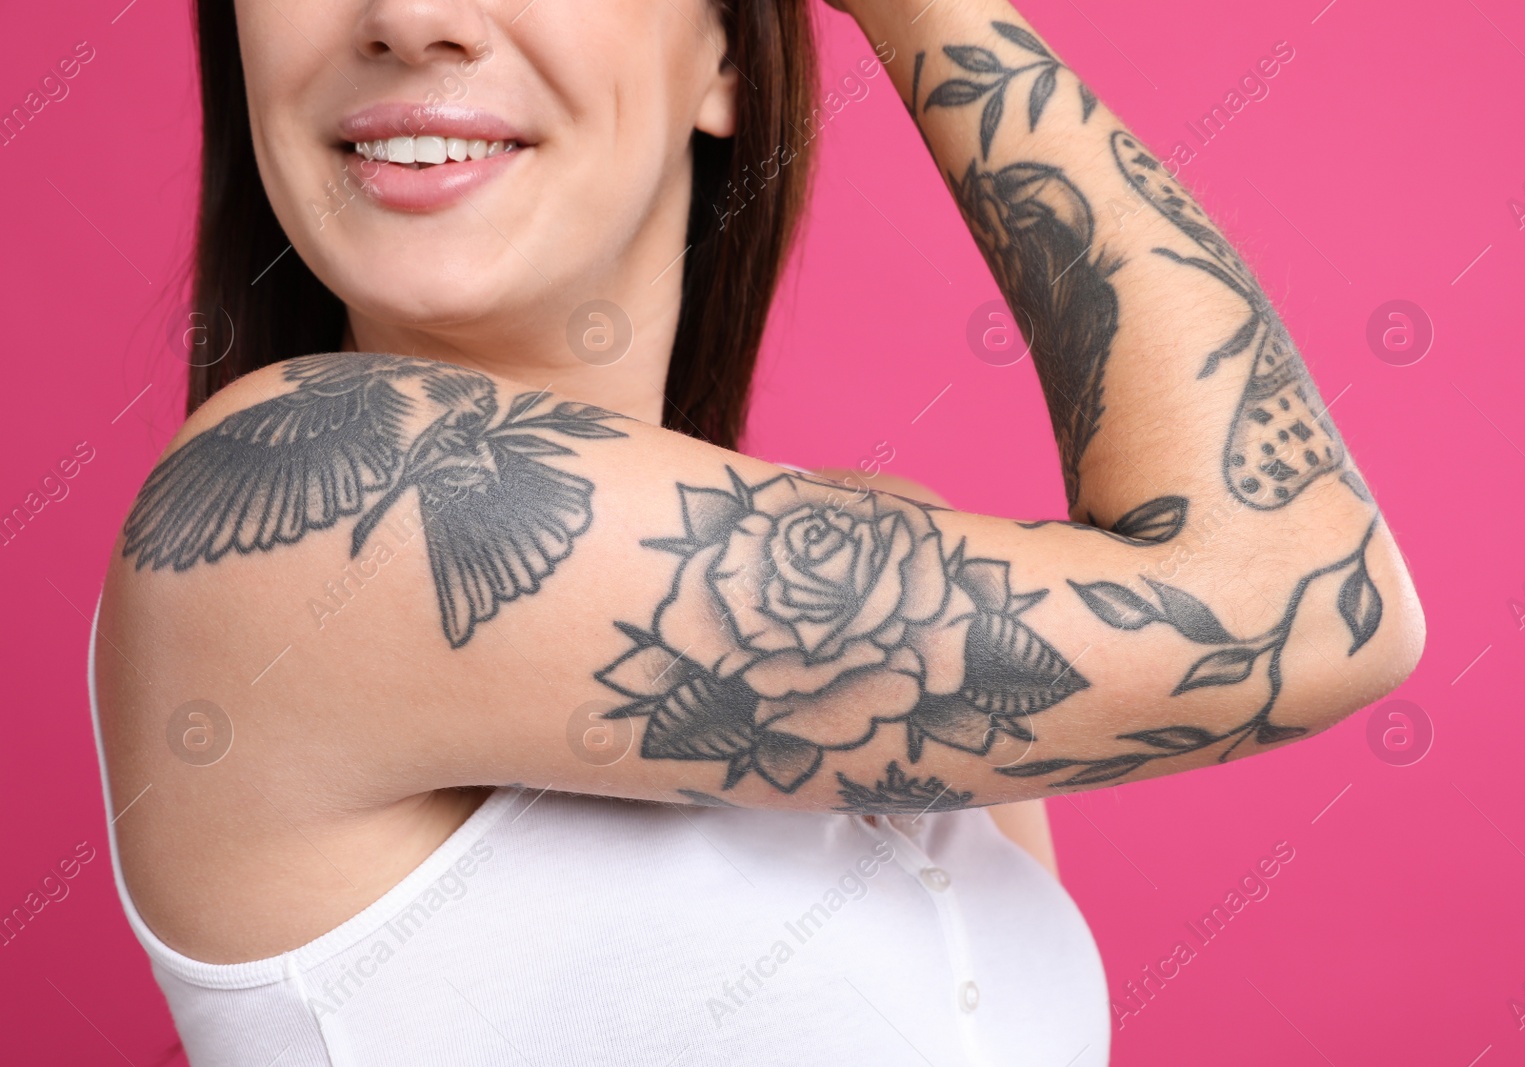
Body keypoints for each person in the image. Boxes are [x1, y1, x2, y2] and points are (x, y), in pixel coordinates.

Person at [88, 0, 1425, 1063]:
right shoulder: (307, 514)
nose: (411, 15)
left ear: (727, 48)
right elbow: (1299, 602)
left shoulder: (873, 567)